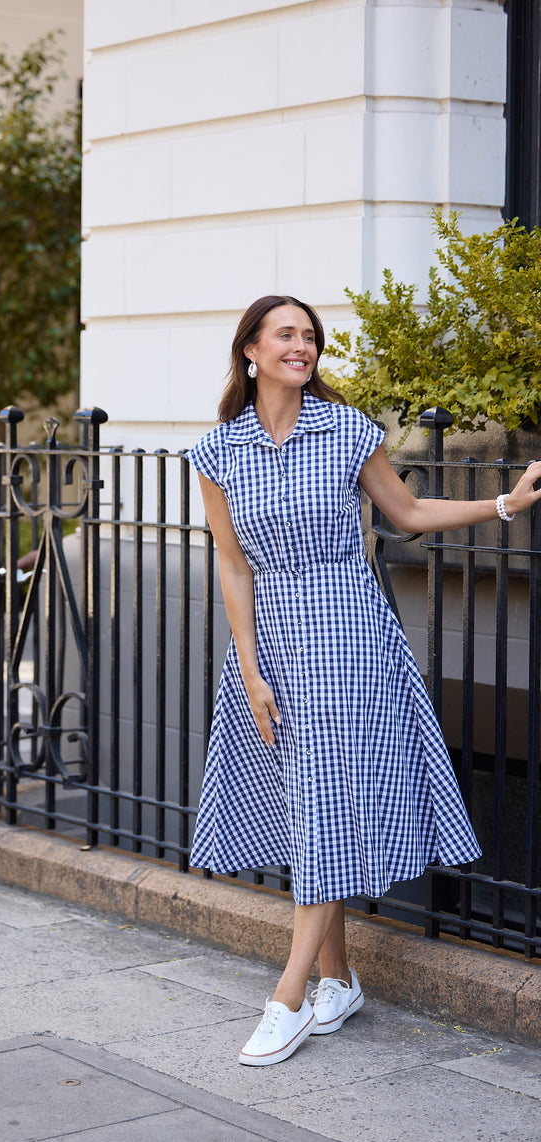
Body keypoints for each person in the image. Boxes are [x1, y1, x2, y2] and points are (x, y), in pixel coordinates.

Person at [186, 295, 541, 1068]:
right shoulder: (218, 452)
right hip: (273, 638)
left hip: (347, 631)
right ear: (250, 347)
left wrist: (504, 503)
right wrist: (248, 667)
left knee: (325, 797)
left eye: (310, 336)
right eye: (287, 334)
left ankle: (288, 995)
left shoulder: (346, 430)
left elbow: (407, 511)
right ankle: (337, 978)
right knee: (315, 800)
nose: (302, 346)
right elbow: (232, 563)